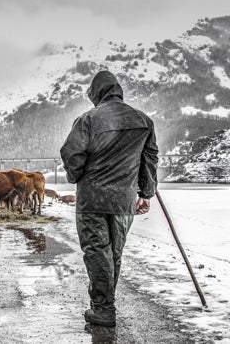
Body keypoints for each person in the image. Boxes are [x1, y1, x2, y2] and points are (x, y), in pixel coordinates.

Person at [60, 70, 158, 327]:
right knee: (113, 252)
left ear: (96, 93)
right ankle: (104, 305)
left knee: (97, 252)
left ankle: (103, 309)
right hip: (123, 201)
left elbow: (71, 153)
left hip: (92, 200)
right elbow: (149, 160)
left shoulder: (88, 120)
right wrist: (145, 193)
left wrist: (77, 176)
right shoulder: (144, 121)